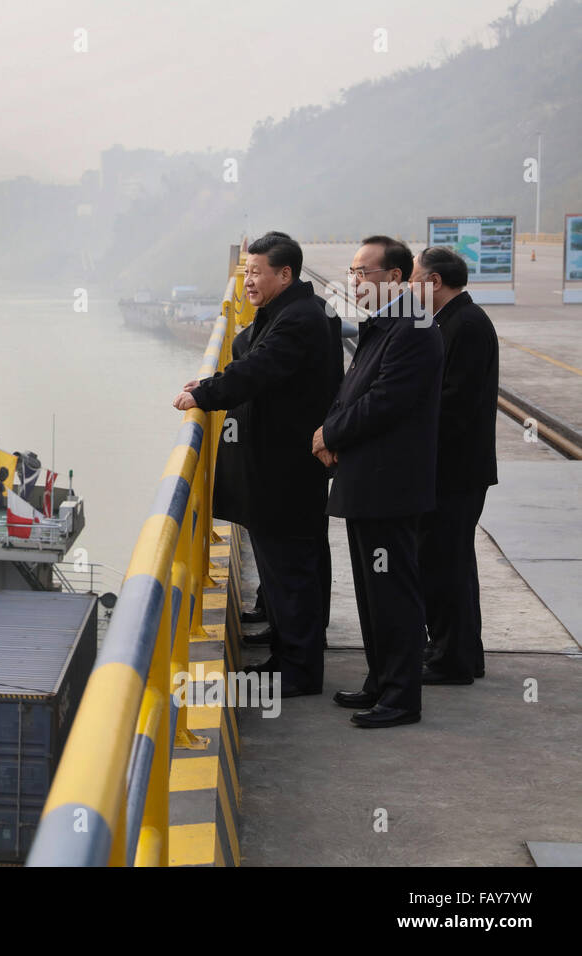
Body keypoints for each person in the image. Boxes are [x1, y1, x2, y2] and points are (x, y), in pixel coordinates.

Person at [174, 232, 339, 696]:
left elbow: (259, 367)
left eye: (255, 271)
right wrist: (216, 380)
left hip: (283, 468)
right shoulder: (295, 312)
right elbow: (252, 357)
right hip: (280, 465)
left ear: (284, 274)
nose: (247, 279)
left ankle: (300, 670)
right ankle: (289, 650)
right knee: (286, 566)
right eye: (245, 270)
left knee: (291, 567)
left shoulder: (300, 320)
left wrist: (204, 393)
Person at [312, 236, 443, 728]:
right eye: (352, 271)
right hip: (366, 481)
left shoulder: (415, 328)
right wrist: (330, 429)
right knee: (371, 591)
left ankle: (401, 698)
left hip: (391, 485)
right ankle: (379, 680)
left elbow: (386, 401)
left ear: (393, 277)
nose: (354, 280)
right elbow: (352, 390)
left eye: (363, 272)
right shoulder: (382, 325)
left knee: (394, 592)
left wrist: (329, 433)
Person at [410, 246, 498, 684]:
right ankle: (460, 652)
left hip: (457, 471)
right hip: (449, 469)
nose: (409, 287)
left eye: (413, 278)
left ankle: (452, 660)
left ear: (434, 282)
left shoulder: (468, 325)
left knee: (445, 563)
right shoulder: (450, 321)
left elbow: (455, 403)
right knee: (450, 563)